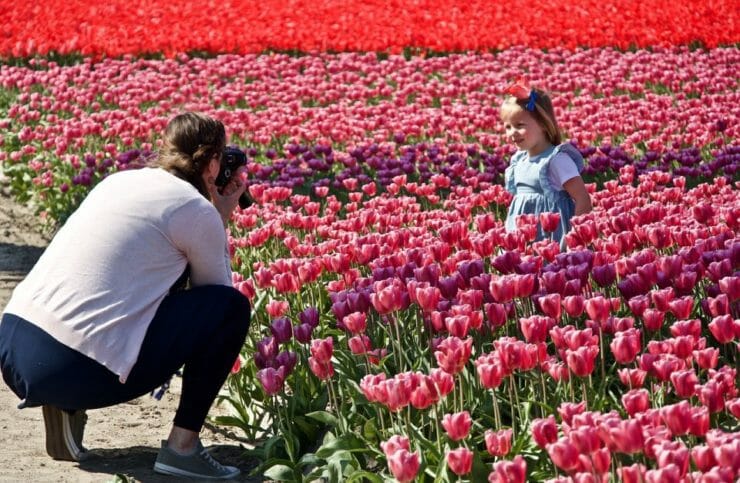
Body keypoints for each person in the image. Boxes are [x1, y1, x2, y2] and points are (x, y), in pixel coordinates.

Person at [0, 112, 252, 480]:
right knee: (231, 310)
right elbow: (214, 298)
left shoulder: (119, 180)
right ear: (213, 164)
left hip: (13, 340)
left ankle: (62, 403)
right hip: (70, 365)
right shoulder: (197, 210)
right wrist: (219, 217)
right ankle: (182, 448)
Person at [501, 78, 592, 246]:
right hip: (523, 241)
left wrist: (574, 237)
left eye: (519, 125)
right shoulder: (518, 161)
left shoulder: (556, 160)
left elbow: (582, 198)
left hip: (553, 239)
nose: (512, 133)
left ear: (543, 124)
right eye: (508, 127)